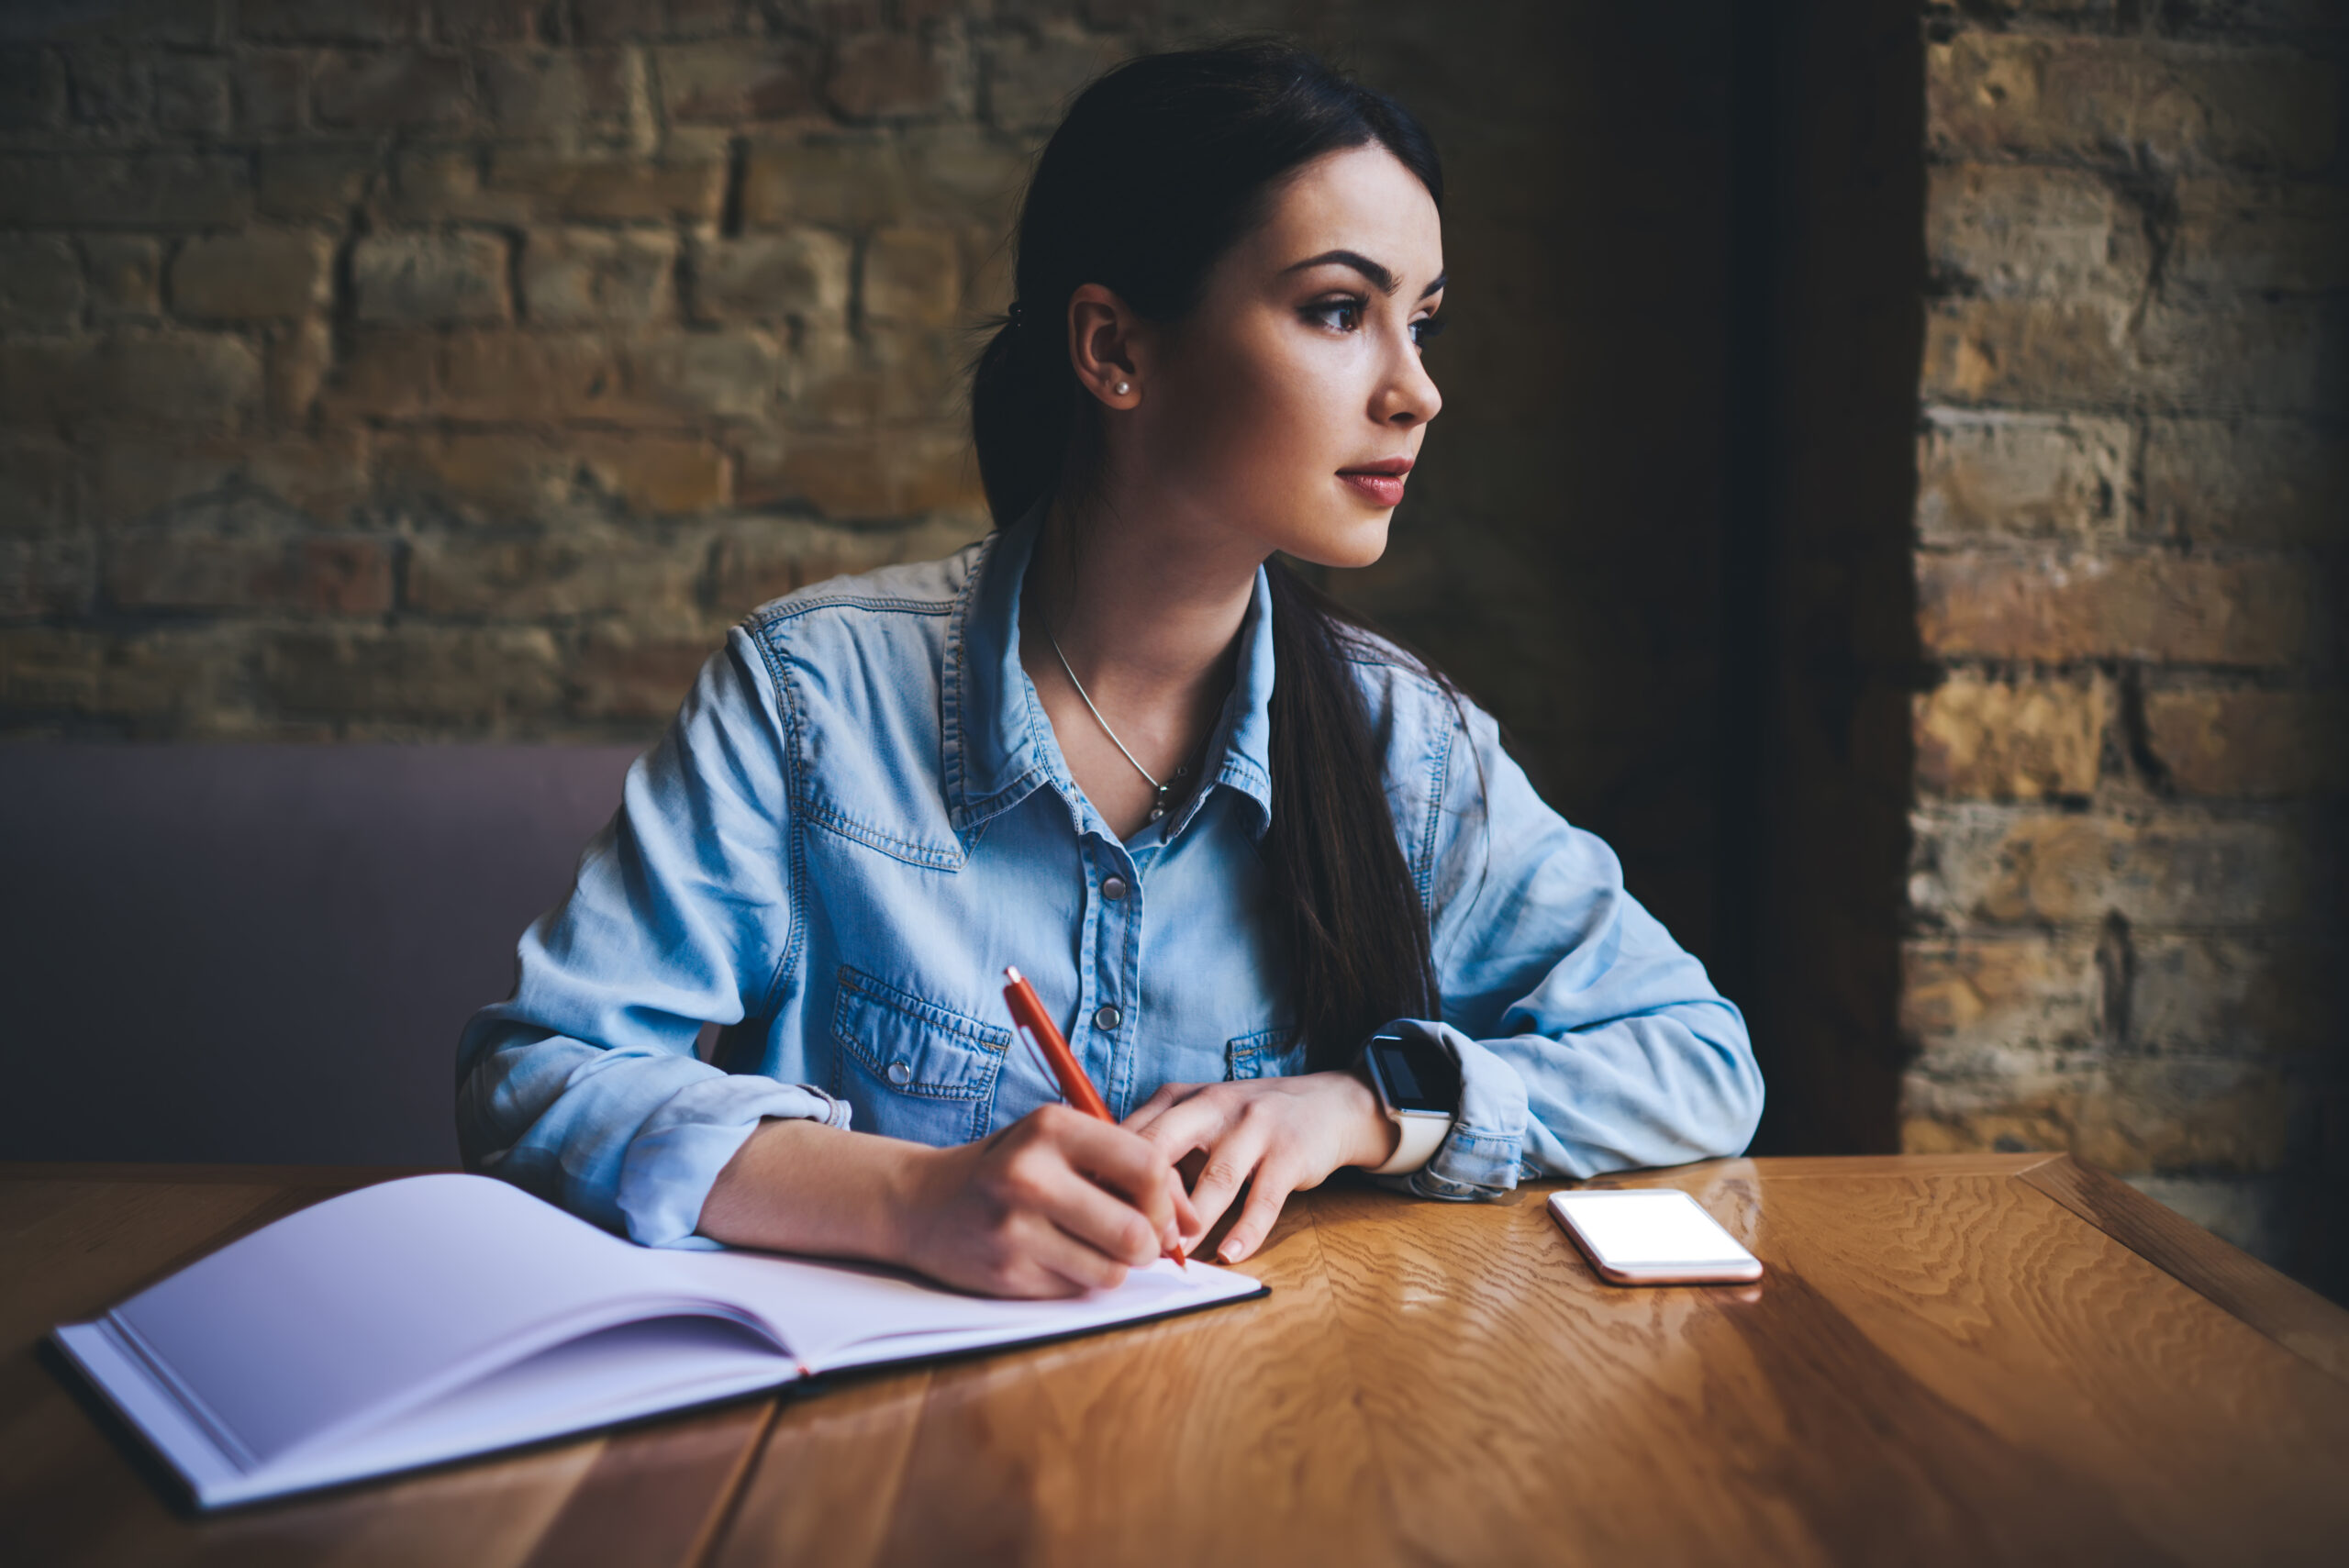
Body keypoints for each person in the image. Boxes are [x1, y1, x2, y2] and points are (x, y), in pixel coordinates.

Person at [457, 38, 1762, 1299]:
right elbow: (541, 1068)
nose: (1415, 390)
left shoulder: (1401, 747)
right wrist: (908, 1199)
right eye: (1336, 311)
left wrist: (1366, 1108)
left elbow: (1699, 1059)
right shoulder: (812, 700)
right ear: (1115, 350)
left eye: (1421, 324)